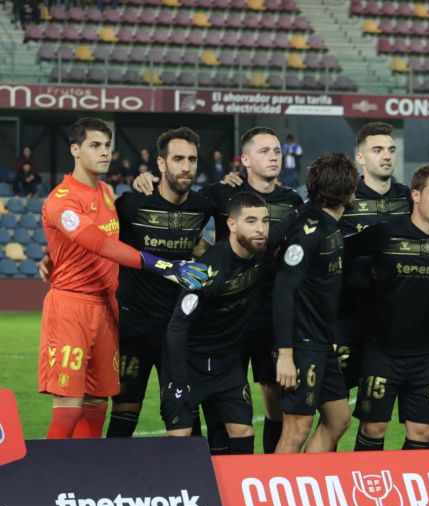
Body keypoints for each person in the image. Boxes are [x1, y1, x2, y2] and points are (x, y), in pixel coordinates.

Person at [132, 126, 303, 454]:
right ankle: (205, 480)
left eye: (277, 151)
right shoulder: (220, 195)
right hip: (220, 322)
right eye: (265, 151)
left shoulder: (291, 202)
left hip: (267, 315)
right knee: (217, 415)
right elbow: (181, 210)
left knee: (271, 397)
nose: (273, 157)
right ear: (246, 160)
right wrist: (143, 182)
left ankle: (258, 477)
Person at [38, 117, 208, 440]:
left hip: (106, 310)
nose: (105, 153)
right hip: (71, 306)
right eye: (95, 146)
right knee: (70, 408)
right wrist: (164, 266)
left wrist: (50, 258)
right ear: (75, 150)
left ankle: (85, 482)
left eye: (107, 146)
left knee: (96, 409)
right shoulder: (62, 200)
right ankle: (45, 487)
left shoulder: (106, 192)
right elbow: (100, 244)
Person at [348, 165, 429, 451]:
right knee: (374, 427)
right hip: (381, 351)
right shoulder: (385, 233)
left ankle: (406, 493)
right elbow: (342, 254)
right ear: (416, 195)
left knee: (423, 432)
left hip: (426, 356)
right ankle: (367, 490)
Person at [105, 127, 214, 438]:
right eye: (178, 159)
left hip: (178, 331)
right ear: (161, 164)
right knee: (124, 414)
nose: (186, 166)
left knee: (183, 418)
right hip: (133, 328)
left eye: (192, 159)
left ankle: (188, 486)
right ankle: (110, 484)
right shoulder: (130, 205)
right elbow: (100, 242)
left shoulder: (203, 206)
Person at [160, 191, 270, 454]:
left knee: (243, 432)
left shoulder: (261, 247)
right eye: (251, 221)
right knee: (180, 436)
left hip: (227, 364)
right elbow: (176, 328)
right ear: (232, 225)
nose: (261, 229)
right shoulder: (207, 272)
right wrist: (177, 381)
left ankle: (237, 493)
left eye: (265, 221)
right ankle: (177, 493)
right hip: (190, 363)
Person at [272, 153, 358, 453]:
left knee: (338, 419)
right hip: (301, 343)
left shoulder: (328, 223)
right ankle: (276, 496)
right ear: (349, 190)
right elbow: (283, 289)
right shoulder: (309, 228)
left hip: (322, 341)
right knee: (296, 429)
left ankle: (306, 481)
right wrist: (286, 353)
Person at [336, 122, 412, 394]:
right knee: (335, 411)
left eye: (391, 149)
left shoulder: (409, 198)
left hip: (396, 321)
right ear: (360, 158)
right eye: (377, 149)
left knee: (377, 416)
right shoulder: (342, 199)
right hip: (348, 319)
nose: (387, 155)